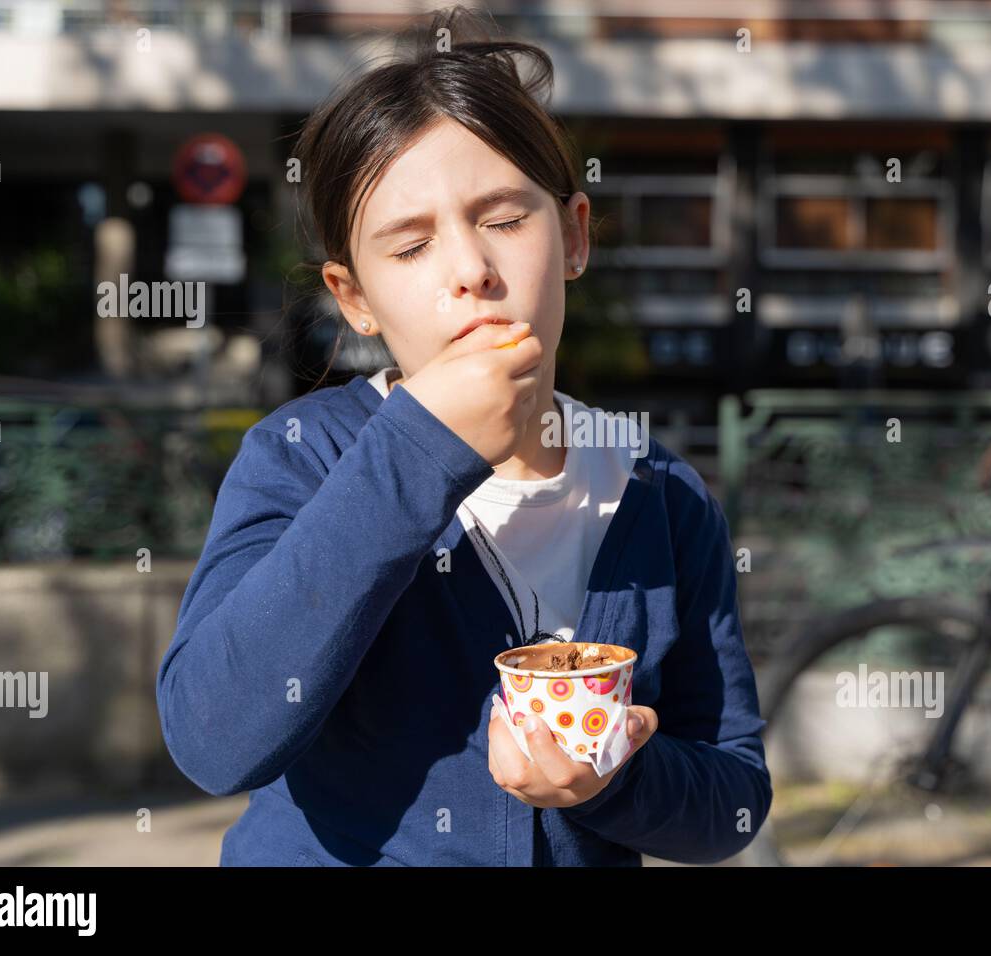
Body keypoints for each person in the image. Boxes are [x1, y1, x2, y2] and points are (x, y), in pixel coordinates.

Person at [154, 6, 771, 866]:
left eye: (506, 220)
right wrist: (415, 452)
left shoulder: (659, 492)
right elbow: (212, 737)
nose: (470, 271)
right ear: (354, 296)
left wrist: (614, 778)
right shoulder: (302, 458)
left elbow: (733, 799)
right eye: (409, 247)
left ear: (574, 236)